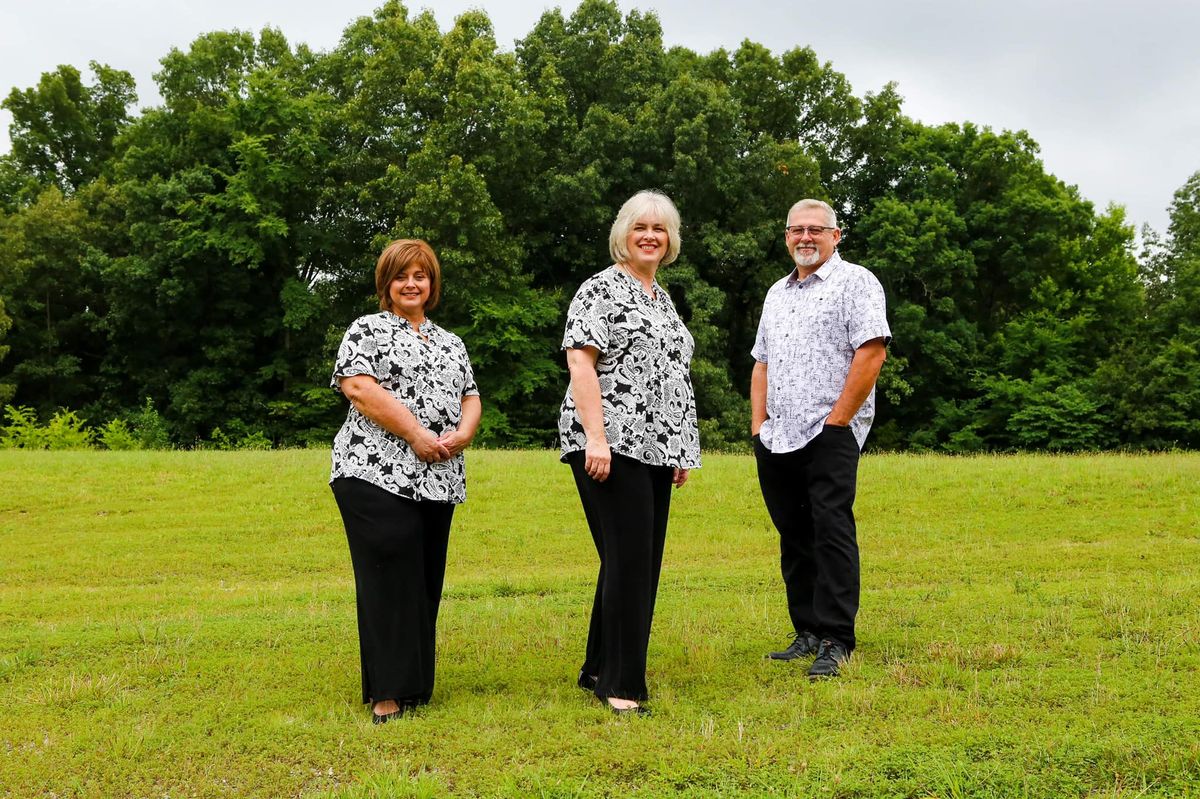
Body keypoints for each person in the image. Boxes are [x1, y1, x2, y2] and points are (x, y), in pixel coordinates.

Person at [559, 190, 701, 715]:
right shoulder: (601, 289)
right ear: (623, 233)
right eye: (640, 226)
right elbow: (581, 365)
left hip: (658, 449)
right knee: (631, 561)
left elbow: (672, 378)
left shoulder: (660, 298)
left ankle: (598, 665)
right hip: (610, 444)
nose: (650, 236)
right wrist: (597, 438)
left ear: (670, 240)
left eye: (660, 229)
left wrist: (680, 448)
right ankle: (621, 686)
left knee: (632, 559)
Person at [329, 239, 481, 723]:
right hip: (372, 470)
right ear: (386, 284)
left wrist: (464, 431)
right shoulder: (367, 330)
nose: (411, 284)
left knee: (422, 579)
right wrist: (416, 432)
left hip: (437, 476)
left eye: (420, 275)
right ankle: (386, 693)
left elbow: (471, 395)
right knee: (388, 574)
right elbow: (357, 386)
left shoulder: (450, 341)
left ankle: (414, 686)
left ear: (431, 284)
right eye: (401, 276)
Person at [751, 199, 891, 679]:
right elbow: (761, 362)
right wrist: (758, 425)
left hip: (830, 432)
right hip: (778, 436)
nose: (805, 237)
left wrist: (838, 421)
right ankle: (806, 631)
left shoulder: (857, 282)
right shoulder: (776, 293)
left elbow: (872, 352)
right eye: (796, 230)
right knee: (794, 534)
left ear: (836, 235)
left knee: (831, 531)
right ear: (786, 236)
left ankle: (836, 639)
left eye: (816, 229)